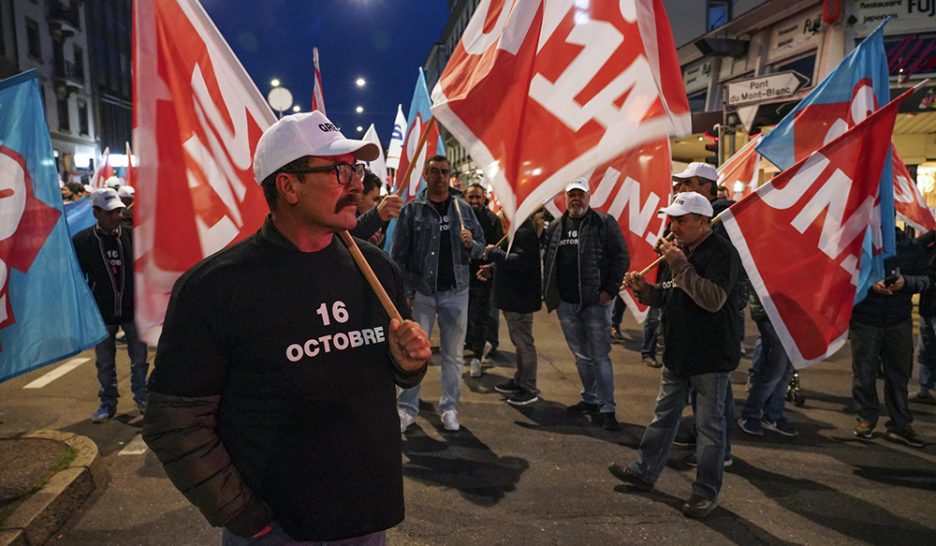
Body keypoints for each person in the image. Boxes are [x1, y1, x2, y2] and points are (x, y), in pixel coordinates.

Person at [141, 111, 431, 545]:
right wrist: (244, 517)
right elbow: (175, 422)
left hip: (368, 519)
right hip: (276, 530)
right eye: (339, 171)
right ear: (288, 186)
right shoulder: (214, 288)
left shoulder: (376, 269)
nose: (356, 184)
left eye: (356, 169)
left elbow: (389, 374)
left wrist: (407, 365)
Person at [609, 191, 741, 519]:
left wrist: (678, 263)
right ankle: (644, 470)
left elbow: (712, 299)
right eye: (672, 220)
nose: (673, 227)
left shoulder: (720, 252)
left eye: (681, 220)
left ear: (702, 221)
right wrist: (644, 290)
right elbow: (669, 296)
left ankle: (705, 492)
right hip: (678, 353)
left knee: (709, 429)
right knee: (663, 417)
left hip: (710, 357)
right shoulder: (677, 251)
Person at [391, 155, 485, 432]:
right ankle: (407, 408)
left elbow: (482, 247)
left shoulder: (462, 208)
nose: (440, 177)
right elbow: (399, 255)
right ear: (426, 175)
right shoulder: (413, 210)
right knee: (413, 352)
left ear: (450, 175)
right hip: (421, 293)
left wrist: (472, 245)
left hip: (456, 292)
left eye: (445, 172)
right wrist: (403, 292)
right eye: (435, 172)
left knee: (453, 355)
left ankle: (450, 408)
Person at [543, 177, 629, 430]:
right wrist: (551, 294)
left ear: (589, 197)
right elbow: (549, 261)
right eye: (572, 195)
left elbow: (621, 256)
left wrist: (609, 290)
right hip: (566, 304)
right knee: (581, 356)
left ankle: (607, 408)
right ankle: (590, 400)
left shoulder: (604, 222)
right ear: (565, 198)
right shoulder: (556, 226)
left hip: (595, 303)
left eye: (580, 194)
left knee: (600, 356)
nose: (576, 199)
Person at [72, 188, 148, 422]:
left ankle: (142, 398)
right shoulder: (82, 241)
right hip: (102, 313)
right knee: (104, 363)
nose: (117, 216)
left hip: (133, 310)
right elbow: (77, 279)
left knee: (140, 360)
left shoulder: (132, 235)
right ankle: (107, 402)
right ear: (96, 212)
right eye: (110, 212)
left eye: (118, 211)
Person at [850, 226, 928, 447]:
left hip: (898, 318)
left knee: (899, 374)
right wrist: (870, 283)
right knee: (864, 373)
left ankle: (900, 423)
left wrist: (906, 282)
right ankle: (865, 418)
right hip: (865, 318)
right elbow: (845, 273)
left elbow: (927, 278)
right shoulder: (858, 240)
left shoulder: (910, 245)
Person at [483, 213, 542, 405]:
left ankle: (529, 387)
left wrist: (495, 253)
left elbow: (521, 262)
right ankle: (520, 380)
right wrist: (494, 266)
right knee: (519, 342)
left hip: (520, 298)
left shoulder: (524, 232)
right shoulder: (518, 230)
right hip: (514, 298)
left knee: (524, 343)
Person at [736, 292, 798, 437]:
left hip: (790, 309)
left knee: (786, 367)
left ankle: (772, 414)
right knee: (776, 367)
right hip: (771, 309)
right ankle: (751, 414)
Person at [464, 183, 504, 377]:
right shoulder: (459, 218)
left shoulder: (492, 220)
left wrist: (491, 267)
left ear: (484, 198)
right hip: (461, 278)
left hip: (482, 276)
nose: (474, 201)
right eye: (471, 197)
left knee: (482, 317)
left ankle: (478, 356)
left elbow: (498, 249)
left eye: (477, 197)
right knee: (466, 317)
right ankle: (473, 344)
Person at [911, 228, 936, 404]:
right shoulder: (931, 247)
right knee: (926, 349)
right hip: (928, 306)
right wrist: (934, 233)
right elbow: (916, 247)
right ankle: (924, 389)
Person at [351, 170, 401, 246]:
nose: (378, 205)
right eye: (375, 200)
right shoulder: (345, 220)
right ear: (360, 198)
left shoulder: (378, 228)